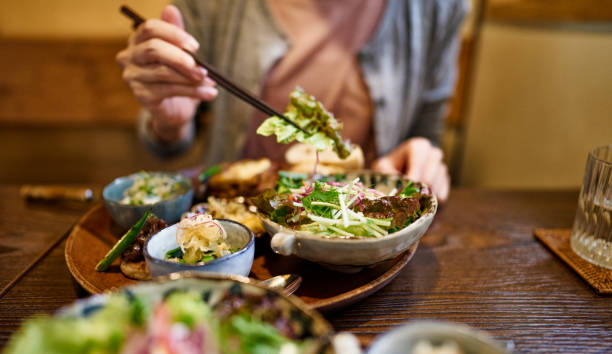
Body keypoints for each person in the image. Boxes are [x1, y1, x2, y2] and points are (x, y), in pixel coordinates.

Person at [116, 0, 468, 203]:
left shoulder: (439, 8)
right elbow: (166, 146)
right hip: (231, 235)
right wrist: (170, 123)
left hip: (360, 234)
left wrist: (419, 156)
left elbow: (426, 132)